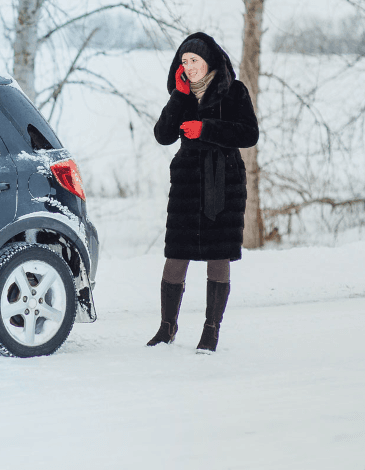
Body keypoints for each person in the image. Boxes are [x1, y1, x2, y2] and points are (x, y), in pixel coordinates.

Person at [147, 32, 259, 352]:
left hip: (222, 182)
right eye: (184, 62)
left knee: (217, 254)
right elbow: (162, 135)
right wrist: (179, 97)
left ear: (209, 60)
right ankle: (166, 328)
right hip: (186, 184)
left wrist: (206, 129)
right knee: (176, 255)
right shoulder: (181, 95)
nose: (190, 66)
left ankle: (211, 330)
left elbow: (249, 133)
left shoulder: (234, 91)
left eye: (194, 60)